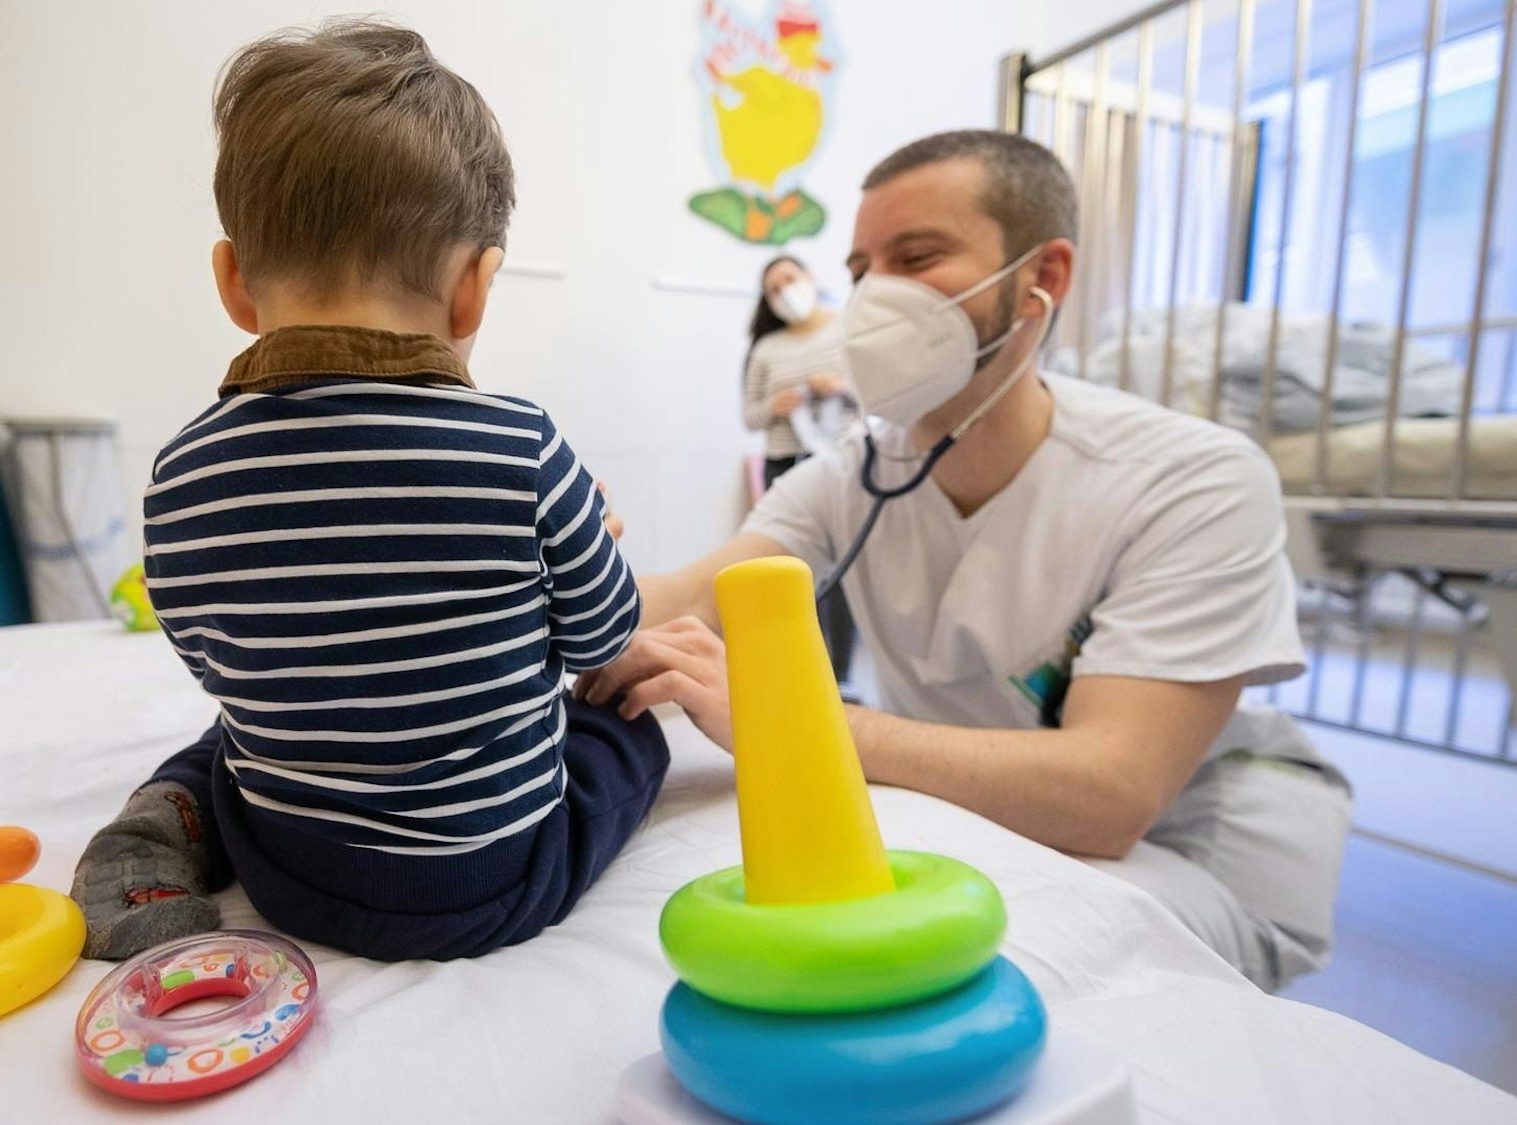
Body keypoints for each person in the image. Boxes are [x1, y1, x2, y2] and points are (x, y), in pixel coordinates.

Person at [579, 130, 1351, 992]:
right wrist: (546, 558)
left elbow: (1111, 794)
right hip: (976, 808)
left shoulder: (1193, 479)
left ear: (1041, 279)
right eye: (864, 267)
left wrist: (786, 717)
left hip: (1187, 843)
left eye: (918, 256)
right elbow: (690, 596)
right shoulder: (854, 473)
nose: (875, 296)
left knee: (973, 960)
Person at [70, 20, 668, 964]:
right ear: (475, 289)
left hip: (290, 872)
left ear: (232, 281)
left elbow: (219, 665)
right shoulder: (523, 444)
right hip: (494, 880)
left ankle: (170, 815)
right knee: (627, 732)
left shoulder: (181, 473)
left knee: (238, 735)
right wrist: (585, 534)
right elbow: (603, 638)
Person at [740, 256, 858, 680]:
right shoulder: (766, 349)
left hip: (841, 465)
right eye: (773, 288)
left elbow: (878, 394)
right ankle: (807, 670)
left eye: (789, 279)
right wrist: (774, 406)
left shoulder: (849, 329)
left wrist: (840, 388)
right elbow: (750, 416)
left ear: (810, 276)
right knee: (795, 573)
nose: (784, 290)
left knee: (843, 573)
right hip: (784, 466)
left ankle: (841, 675)